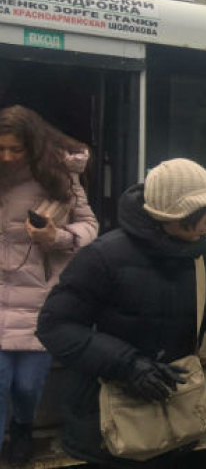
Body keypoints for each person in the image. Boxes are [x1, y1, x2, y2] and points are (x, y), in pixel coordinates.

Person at [36, 158, 206, 468]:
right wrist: (129, 365)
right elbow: (55, 326)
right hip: (108, 417)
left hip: (177, 410)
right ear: (176, 213)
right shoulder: (103, 257)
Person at [0, 105, 98, 466]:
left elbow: (90, 226)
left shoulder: (59, 176)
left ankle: (24, 427)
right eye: (1, 148)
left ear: (33, 145)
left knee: (26, 386)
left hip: (39, 301)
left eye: (16, 149)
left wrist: (57, 236)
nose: (7, 156)